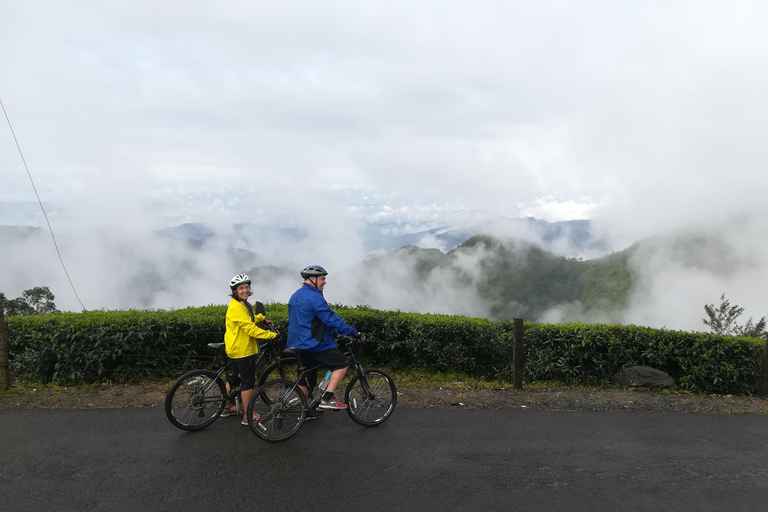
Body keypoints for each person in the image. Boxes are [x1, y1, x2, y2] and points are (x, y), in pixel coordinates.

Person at [287, 265, 362, 410]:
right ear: (312, 279)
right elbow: (331, 319)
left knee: (305, 379)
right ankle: (327, 398)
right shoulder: (314, 298)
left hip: (297, 344)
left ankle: (305, 412)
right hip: (313, 344)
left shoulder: (296, 295)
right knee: (342, 363)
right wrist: (353, 332)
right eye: (323, 279)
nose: (325, 282)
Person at [224, 274, 278, 425]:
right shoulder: (237, 307)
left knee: (234, 379)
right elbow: (251, 330)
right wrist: (271, 335)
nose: (245, 290)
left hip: (235, 348)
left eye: (247, 287)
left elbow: (250, 317)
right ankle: (247, 415)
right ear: (234, 291)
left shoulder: (242, 304)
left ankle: (226, 407)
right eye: (241, 288)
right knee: (247, 382)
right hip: (243, 350)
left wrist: (261, 318)